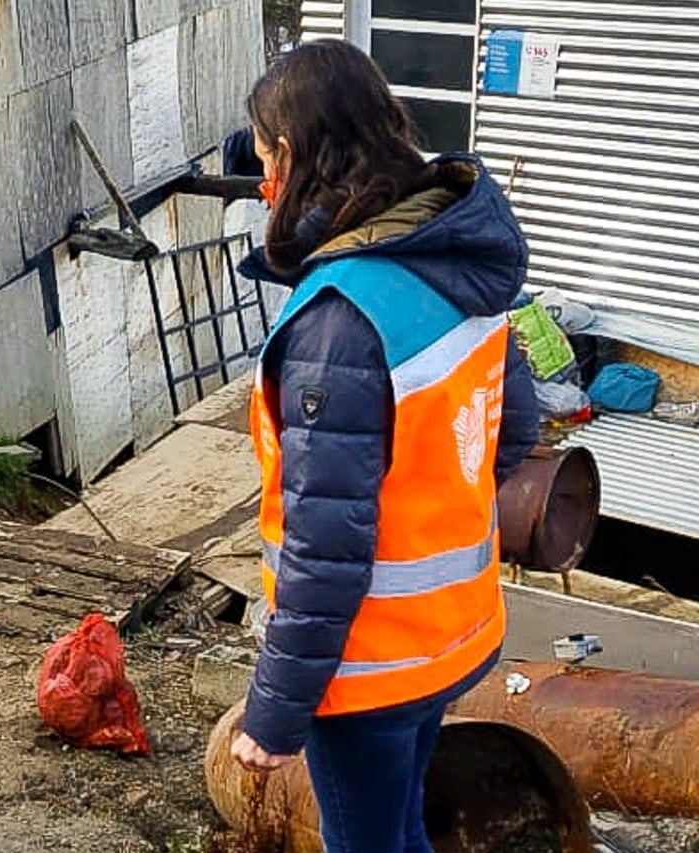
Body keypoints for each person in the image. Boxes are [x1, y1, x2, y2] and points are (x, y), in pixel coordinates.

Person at [230, 40, 539, 853]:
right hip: (451, 637)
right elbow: (517, 430)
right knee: (402, 827)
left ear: (290, 154)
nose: (263, 182)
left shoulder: (339, 320)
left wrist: (275, 707)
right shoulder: (454, 262)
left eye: (264, 157)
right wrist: (430, 496)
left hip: (367, 667)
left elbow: (325, 547)